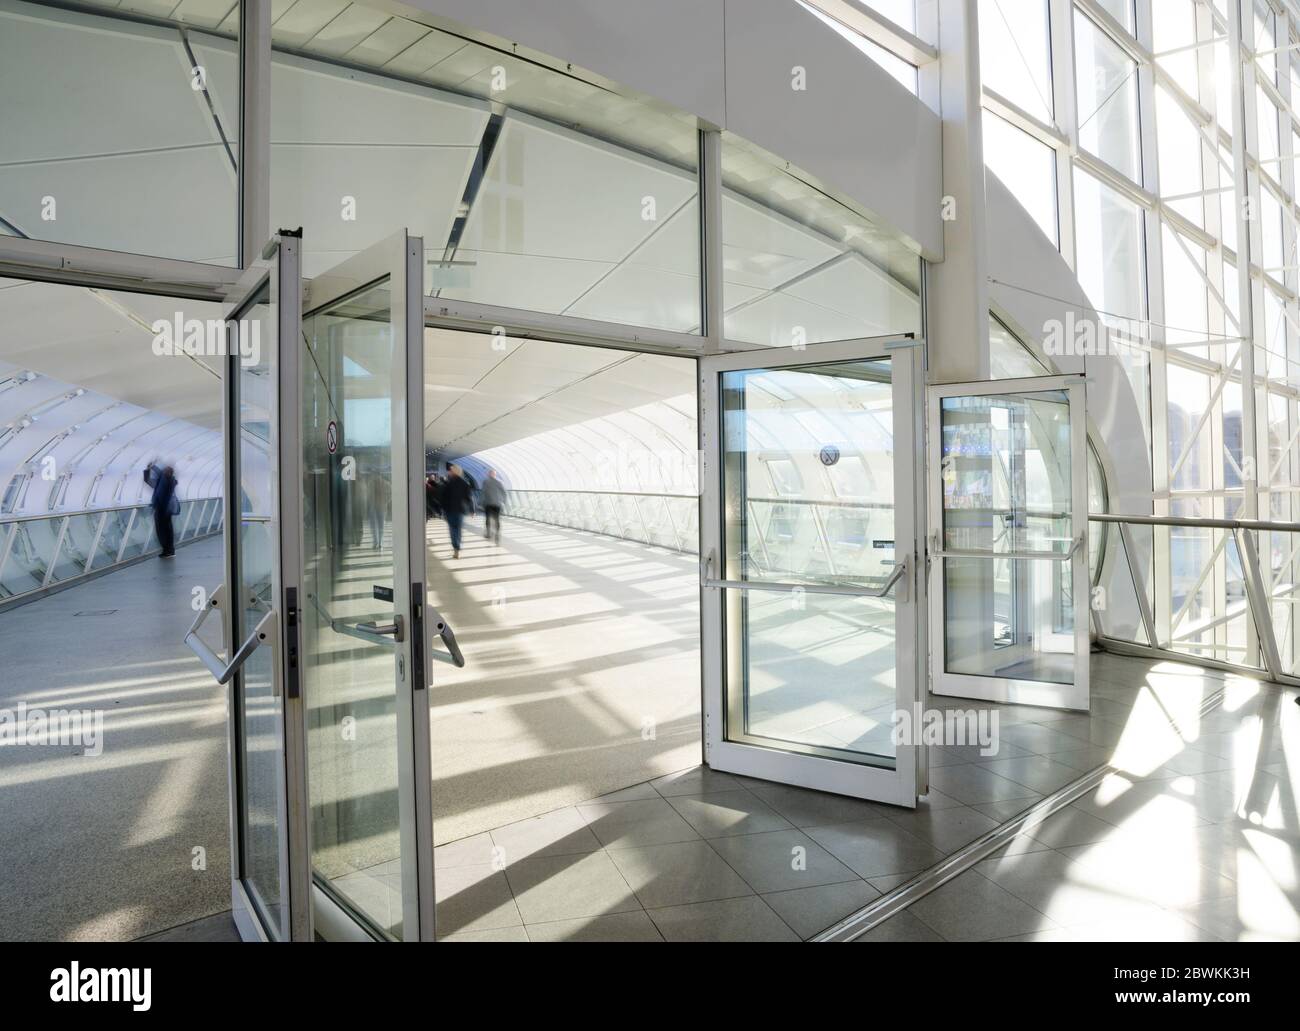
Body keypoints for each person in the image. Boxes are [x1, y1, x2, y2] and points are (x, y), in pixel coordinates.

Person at [143, 461, 179, 558]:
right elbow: (148, 480)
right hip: (165, 510)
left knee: (163, 531)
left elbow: (157, 475)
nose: (163, 472)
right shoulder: (168, 481)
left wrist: (152, 467)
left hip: (162, 510)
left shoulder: (166, 481)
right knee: (167, 531)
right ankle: (169, 550)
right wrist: (149, 469)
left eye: (165, 471)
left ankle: (168, 550)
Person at [438, 464, 472, 558]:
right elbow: (468, 498)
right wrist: (471, 510)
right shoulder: (464, 483)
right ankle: (457, 547)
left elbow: (443, 498)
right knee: (458, 529)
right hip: (460, 510)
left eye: (451, 471)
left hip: (449, 510)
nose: (449, 472)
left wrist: (442, 509)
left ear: (453, 472)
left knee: (452, 529)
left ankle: (455, 548)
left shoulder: (448, 483)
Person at [481, 469, 506, 546]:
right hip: (497, 504)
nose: (491, 475)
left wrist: (482, 503)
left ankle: (489, 533)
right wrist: (503, 502)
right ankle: (497, 535)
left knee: (488, 518)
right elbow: (504, 493)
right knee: (497, 519)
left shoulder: (485, 482)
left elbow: (483, 492)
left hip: (488, 504)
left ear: (489, 474)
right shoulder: (499, 482)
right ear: (495, 474)